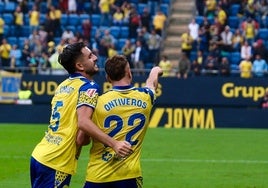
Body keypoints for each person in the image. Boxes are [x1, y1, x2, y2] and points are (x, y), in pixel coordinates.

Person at [30, 42, 132, 188]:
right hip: (57, 160)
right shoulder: (88, 87)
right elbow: (82, 126)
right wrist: (114, 144)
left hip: (40, 154)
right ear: (80, 66)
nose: (96, 58)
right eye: (90, 56)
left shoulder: (63, 86)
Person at [83, 54, 163, 188]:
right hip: (129, 176)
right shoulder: (146, 97)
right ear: (129, 73)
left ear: (108, 78)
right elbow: (151, 84)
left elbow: (84, 139)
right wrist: (155, 71)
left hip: (98, 175)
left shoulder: (97, 103)